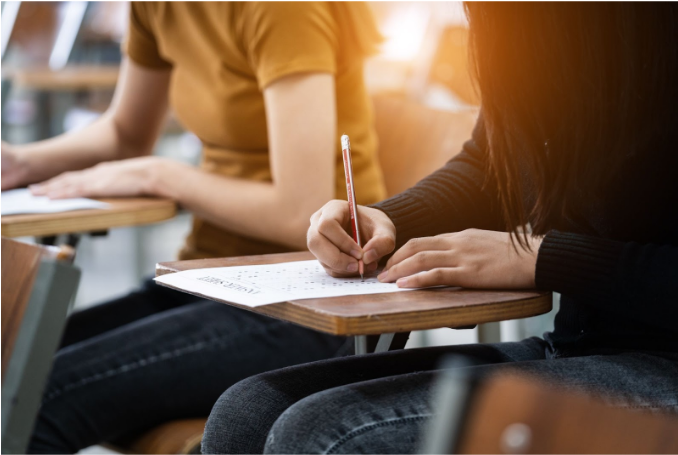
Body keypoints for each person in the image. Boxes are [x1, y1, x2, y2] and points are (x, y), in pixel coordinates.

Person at [201, 3, 678, 454]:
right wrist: (388, 220)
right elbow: (494, 167)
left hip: (663, 366)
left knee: (324, 436)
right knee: (248, 411)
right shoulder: (534, 30)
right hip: (582, 348)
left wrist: (542, 257)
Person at [5, 3, 387, 453]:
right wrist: (22, 162)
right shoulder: (154, 6)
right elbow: (127, 132)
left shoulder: (282, 9)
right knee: (12, 367)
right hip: (210, 277)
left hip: (311, 297)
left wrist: (160, 176)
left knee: (31, 399)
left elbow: (297, 212)